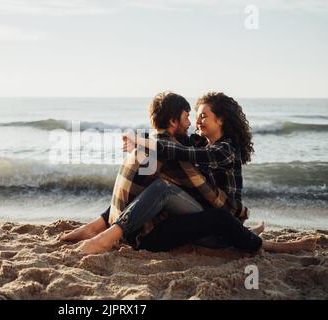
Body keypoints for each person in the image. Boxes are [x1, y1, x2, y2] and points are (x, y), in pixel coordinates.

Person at [61, 92, 317, 254]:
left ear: (221, 121)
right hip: (203, 214)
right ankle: (97, 226)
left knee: (164, 188)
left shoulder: (225, 149)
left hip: (221, 219)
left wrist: (145, 143)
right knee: (154, 183)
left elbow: (187, 155)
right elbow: (177, 148)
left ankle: (108, 234)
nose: (197, 121)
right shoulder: (198, 142)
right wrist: (145, 145)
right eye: (194, 116)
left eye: (204, 116)